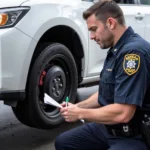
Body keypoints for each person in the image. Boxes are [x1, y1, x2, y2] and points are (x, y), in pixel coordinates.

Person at [55, 0, 150, 149]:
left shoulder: (133, 54)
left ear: (111, 23)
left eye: (94, 29)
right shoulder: (117, 49)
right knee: (64, 142)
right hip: (109, 128)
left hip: (134, 134)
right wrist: (76, 106)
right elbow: (106, 92)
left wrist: (80, 113)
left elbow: (123, 113)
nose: (91, 36)